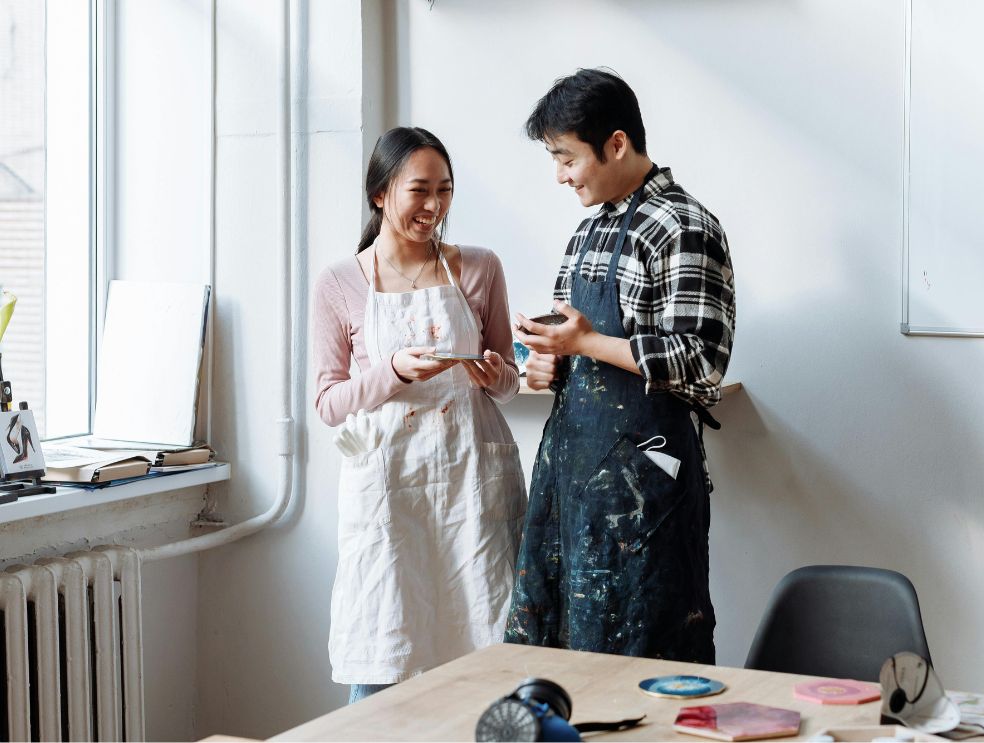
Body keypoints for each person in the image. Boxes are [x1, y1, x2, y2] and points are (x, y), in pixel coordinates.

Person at [504, 69, 736, 663]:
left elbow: (701, 361)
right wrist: (541, 363)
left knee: (644, 660)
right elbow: (568, 339)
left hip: (644, 497)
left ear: (615, 143)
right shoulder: (588, 232)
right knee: (556, 660)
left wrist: (587, 344)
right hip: (571, 485)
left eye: (566, 157)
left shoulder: (685, 226)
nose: (559, 175)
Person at [312, 126, 526, 703]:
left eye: (446, 190)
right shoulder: (339, 283)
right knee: (385, 653)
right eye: (420, 190)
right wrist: (394, 371)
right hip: (390, 491)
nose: (435, 206)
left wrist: (494, 376)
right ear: (381, 193)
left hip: (469, 486)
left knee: (485, 654)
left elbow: (508, 379)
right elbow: (329, 404)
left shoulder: (480, 268)